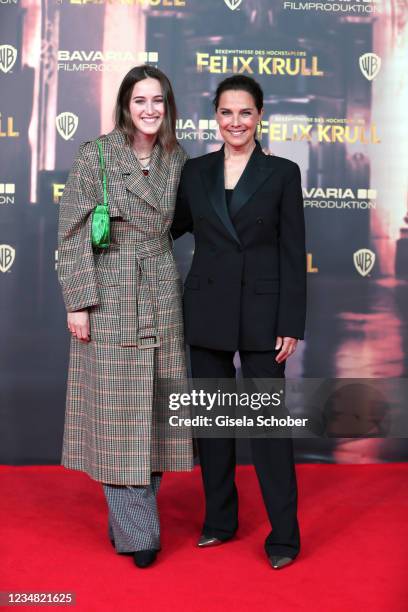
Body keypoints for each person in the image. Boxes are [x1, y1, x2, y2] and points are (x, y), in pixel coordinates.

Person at [57, 65, 193, 569]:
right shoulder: (95, 154)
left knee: (156, 413)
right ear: (125, 105)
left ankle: (130, 522)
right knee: (116, 415)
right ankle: (140, 531)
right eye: (140, 101)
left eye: (158, 100)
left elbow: (187, 218)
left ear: (169, 105)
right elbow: (72, 233)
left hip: (161, 290)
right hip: (111, 294)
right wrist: (78, 302)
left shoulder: (176, 159)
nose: (150, 110)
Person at [172, 75, 306, 569]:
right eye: (227, 113)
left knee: (269, 428)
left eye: (245, 113)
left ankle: (285, 537)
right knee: (212, 425)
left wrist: (291, 321)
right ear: (215, 116)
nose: (236, 122)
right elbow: (171, 226)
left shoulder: (282, 172)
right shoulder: (195, 172)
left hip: (262, 314)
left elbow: (294, 254)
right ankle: (219, 523)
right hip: (206, 308)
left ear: (259, 116)